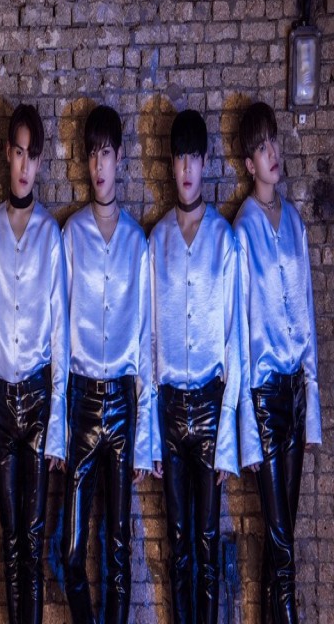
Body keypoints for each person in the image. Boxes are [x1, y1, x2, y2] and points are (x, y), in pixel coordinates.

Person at [0, 103, 69, 624]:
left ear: (40, 161)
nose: (24, 165)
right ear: (7, 155)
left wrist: (58, 427)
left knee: (33, 536)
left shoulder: (51, 234)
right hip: (0, 403)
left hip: (37, 398)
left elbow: (60, 333)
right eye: (18, 153)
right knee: (10, 538)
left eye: (33, 156)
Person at [60, 105, 152, 624]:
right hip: (79, 400)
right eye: (92, 153)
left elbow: (145, 339)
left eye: (107, 153)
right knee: (71, 550)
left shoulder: (137, 241)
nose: (99, 165)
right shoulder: (71, 234)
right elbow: (59, 327)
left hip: (121, 401)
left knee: (118, 546)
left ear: (120, 159)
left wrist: (144, 437)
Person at [150, 109, 240, 624]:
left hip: (209, 405)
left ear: (205, 163)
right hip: (168, 408)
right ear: (170, 163)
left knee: (207, 540)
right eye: (178, 157)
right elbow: (148, 339)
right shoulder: (156, 240)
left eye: (193, 158)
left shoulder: (224, 240)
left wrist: (226, 435)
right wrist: (149, 432)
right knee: (178, 541)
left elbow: (233, 341)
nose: (186, 168)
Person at [235, 101, 321, 624]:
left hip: (295, 394)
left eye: (275, 142)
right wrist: (247, 432)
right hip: (265, 400)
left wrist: (312, 409)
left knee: (279, 537)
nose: (274, 154)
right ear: (249, 164)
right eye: (263, 148)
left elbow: (307, 313)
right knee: (281, 540)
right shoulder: (242, 231)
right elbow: (240, 338)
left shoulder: (293, 223)